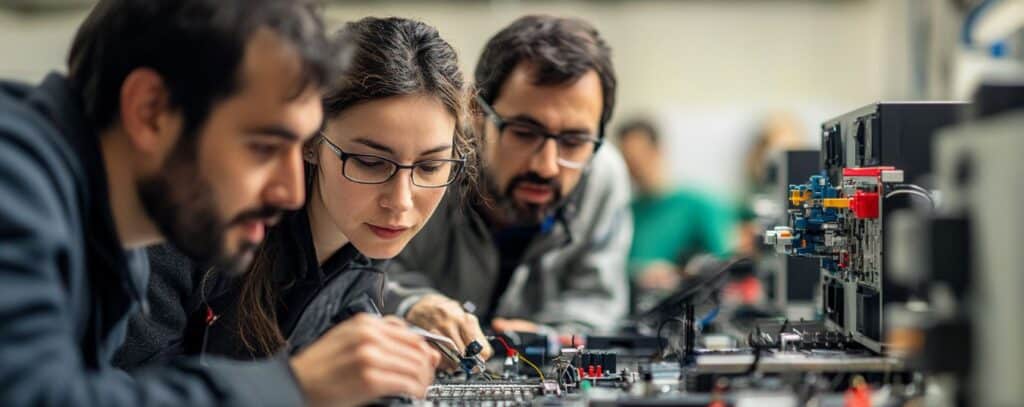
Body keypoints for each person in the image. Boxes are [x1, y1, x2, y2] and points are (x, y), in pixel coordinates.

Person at [0, 1, 430, 405]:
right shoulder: (14, 180)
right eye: (263, 148)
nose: (292, 193)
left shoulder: (112, 237)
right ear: (151, 110)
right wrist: (293, 387)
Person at [114, 17, 477, 402]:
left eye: (429, 166)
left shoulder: (363, 245)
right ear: (309, 138)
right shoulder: (187, 226)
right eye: (370, 162)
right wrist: (293, 386)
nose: (401, 201)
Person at [386, 15, 633, 343]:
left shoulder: (603, 176)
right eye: (524, 132)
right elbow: (367, 270)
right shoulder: (427, 164)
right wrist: (414, 305)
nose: (547, 167)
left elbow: (597, 300)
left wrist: (547, 339)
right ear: (475, 112)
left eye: (573, 141)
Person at [616, 118, 735, 293]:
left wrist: (680, 274)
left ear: (659, 151)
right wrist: (638, 272)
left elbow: (723, 261)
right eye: (629, 160)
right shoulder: (625, 212)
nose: (636, 167)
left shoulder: (700, 205)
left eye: (640, 157)